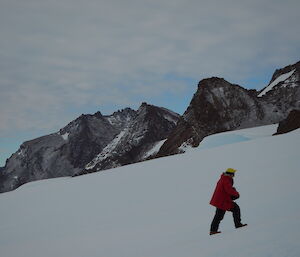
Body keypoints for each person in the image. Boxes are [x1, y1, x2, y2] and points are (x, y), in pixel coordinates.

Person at [209, 168, 247, 235]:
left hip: (221, 200)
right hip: (222, 201)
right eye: (233, 174)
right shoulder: (226, 180)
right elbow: (229, 190)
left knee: (219, 215)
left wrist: (233, 191)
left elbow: (228, 189)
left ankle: (213, 230)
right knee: (235, 208)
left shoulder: (223, 178)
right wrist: (236, 194)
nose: (234, 175)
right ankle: (238, 224)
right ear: (230, 174)